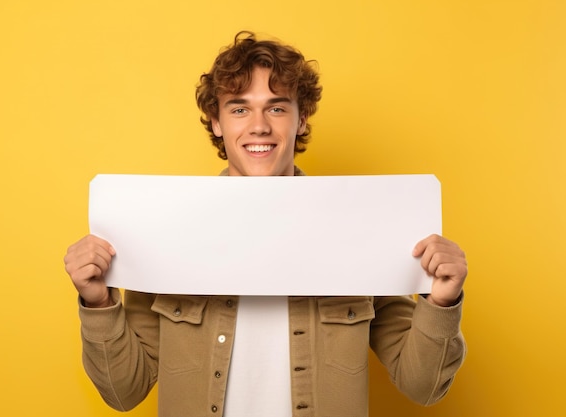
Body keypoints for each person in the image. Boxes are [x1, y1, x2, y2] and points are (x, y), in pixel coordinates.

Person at [64, 31, 467, 417]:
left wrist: (442, 302)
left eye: (276, 107)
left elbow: (424, 387)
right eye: (239, 108)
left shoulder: (361, 225)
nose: (259, 125)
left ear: (302, 118)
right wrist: (99, 302)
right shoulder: (165, 229)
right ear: (217, 122)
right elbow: (123, 392)